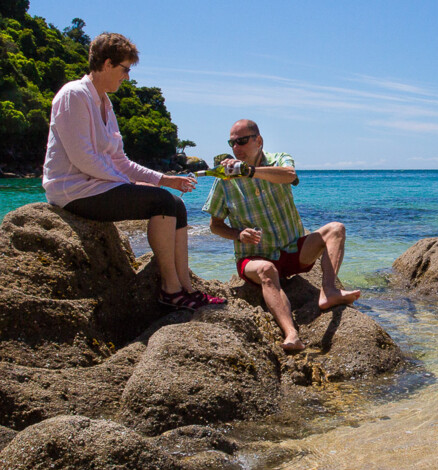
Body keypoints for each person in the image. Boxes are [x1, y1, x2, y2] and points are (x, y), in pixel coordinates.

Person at [42, 32, 224, 311]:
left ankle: (186, 286)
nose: (126, 77)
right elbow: (83, 160)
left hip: (98, 185)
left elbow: (120, 160)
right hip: (73, 190)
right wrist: (134, 185)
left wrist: (163, 179)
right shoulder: (73, 96)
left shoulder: (105, 103)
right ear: (106, 64)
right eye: (124, 69)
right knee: (160, 202)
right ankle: (170, 290)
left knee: (175, 203)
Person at [203, 119, 360, 350]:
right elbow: (215, 225)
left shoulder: (279, 160)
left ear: (259, 140)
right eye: (232, 143)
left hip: (293, 250)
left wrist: (249, 172)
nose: (236, 148)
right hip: (255, 258)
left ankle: (329, 291)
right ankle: (291, 334)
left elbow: (289, 175)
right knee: (267, 270)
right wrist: (238, 234)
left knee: (336, 229)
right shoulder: (224, 181)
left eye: (242, 141)